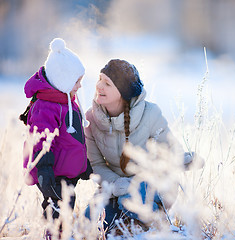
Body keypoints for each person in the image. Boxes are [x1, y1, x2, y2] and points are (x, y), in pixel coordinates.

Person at [85, 59, 201, 235]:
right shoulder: (91, 119)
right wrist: (116, 185)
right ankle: (129, 222)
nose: (99, 86)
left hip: (154, 183)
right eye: (100, 79)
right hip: (114, 188)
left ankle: (156, 220)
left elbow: (169, 147)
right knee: (90, 223)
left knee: (129, 199)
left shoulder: (150, 113)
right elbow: (97, 165)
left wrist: (182, 159)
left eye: (107, 83)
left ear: (123, 92)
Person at [20, 38, 93, 237]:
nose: (79, 85)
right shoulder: (47, 106)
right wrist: (44, 171)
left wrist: (82, 163)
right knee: (57, 212)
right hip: (52, 174)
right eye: (76, 81)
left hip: (65, 172)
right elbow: (40, 141)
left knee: (66, 207)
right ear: (62, 80)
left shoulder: (66, 100)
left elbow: (72, 138)